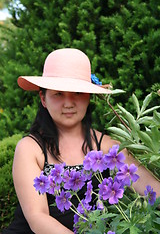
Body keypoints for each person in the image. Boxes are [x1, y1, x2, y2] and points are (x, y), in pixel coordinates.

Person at [2, 48, 160, 234]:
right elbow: (38, 218)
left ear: (89, 96)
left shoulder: (108, 146)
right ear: (43, 99)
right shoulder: (30, 148)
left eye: (77, 92)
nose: (68, 103)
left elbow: (152, 190)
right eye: (58, 94)